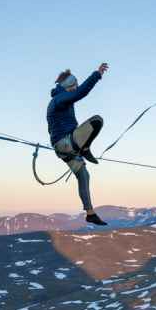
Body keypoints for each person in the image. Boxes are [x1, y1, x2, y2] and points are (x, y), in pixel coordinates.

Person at [47, 62, 110, 226]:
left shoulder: (61, 100)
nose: (75, 88)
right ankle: (85, 148)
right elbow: (82, 92)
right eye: (74, 85)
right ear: (68, 85)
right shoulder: (60, 99)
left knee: (84, 175)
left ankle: (90, 213)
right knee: (97, 121)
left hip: (62, 148)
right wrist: (97, 74)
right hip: (66, 142)